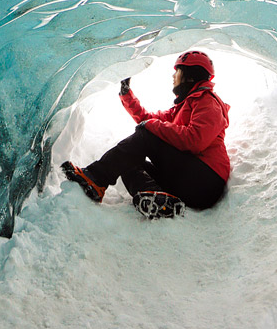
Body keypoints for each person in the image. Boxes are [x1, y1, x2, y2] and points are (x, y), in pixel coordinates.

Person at [62, 50, 230, 219]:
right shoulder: (182, 107)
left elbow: (195, 140)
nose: (173, 76)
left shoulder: (208, 101)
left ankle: (96, 178)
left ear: (190, 75)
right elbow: (148, 119)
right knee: (128, 160)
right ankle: (159, 200)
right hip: (188, 180)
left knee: (146, 134)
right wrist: (127, 95)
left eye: (177, 71)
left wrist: (151, 126)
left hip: (206, 180)